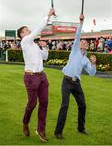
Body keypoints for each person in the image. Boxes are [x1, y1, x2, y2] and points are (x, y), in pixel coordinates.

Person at [54, 14, 96, 139]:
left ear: (87, 47)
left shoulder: (86, 59)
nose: (83, 43)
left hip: (76, 83)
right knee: (65, 106)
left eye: (85, 43)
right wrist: (81, 23)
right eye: (82, 42)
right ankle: (58, 132)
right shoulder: (74, 50)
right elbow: (77, 36)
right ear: (79, 44)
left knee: (82, 105)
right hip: (66, 81)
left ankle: (81, 128)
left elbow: (92, 73)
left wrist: (94, 64)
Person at [17, 8, 55, 142]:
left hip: (42, 76)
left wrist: (44, 47)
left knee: (44, 102)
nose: (29, 31)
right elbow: (37, 30)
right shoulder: (25, 41)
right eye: (26, 30)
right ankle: (25, 122)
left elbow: (44, 57)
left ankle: (41, 129)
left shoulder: (34, 45)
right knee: (32, 104)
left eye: (28, 30)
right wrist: (48, 16)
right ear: (22, 34)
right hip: (31, 77)